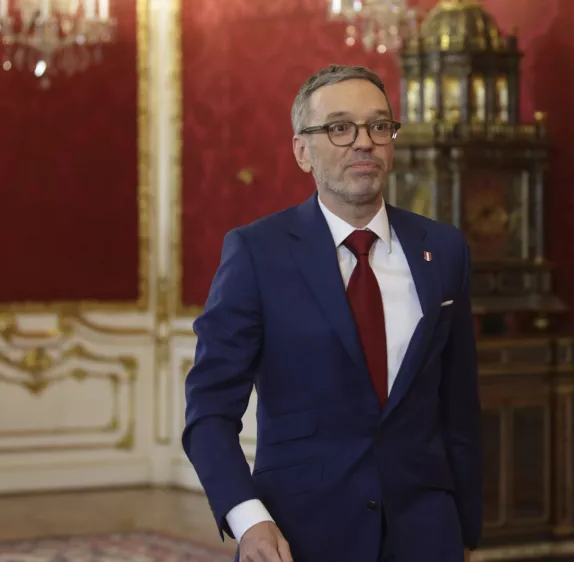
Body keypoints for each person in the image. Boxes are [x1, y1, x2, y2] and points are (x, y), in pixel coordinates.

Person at [182, 64, 482, 562]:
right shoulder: (257, 253)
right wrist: (248, 519)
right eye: (340, 128)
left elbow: (460, 409)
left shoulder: (444, 250)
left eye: (378, 126)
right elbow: (209, 411)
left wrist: (466, 533)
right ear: (303, 151)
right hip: (296, 537)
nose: (363, 142)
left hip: (427, 535)